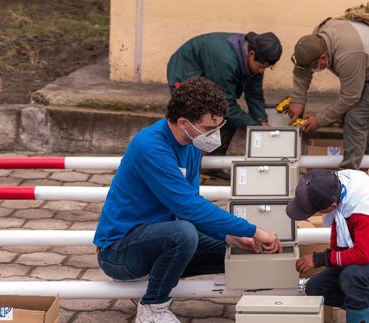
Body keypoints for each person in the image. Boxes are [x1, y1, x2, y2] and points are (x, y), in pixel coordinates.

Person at [94, 77, 282, 323]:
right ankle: (151, 309)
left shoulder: (192, 144)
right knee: (183, 234)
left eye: (218, 126)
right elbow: (189, 208)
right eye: (208, 128)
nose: (214, 135)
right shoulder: (150, 147)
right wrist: (254, 229)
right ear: (184, 123)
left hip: (159, 238)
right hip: (119, 252)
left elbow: (190, 204)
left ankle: (261, 300)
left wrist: (231, 236)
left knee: (233, 252)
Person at [288, 17, 369, 180]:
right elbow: (303, 71)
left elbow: (350, 97)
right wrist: (298, 100)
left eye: (314, 67)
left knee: (355, 116)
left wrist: (319, 120)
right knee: (356, 117)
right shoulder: (315, 40)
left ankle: (347, 178)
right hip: (367, 66)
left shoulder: (349, 54)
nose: (313, 70)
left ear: (323, 58)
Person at [287, 169, 369, 323]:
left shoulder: (364, 209)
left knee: (352, 276)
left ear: (332, 205)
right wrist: (331, 263)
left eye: (316, 211)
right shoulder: (337, 187)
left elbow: (362, 255)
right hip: (365, 262)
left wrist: (321, 259)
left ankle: (361, 319)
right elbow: (338, 235)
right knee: (315, 288)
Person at [167, 31, 283, 179]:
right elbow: (228, 105)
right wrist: (254, 128)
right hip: (186, 71)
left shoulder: (255, 57)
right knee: (196, 117)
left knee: (227, 117)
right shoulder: (225, 60)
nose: (261, 71)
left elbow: (254, 94)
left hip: (212, 74)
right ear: (251, 54)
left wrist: (262, 122)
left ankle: (212, 164)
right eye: (260, 66)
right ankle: (184, 168)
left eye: (265, 68)